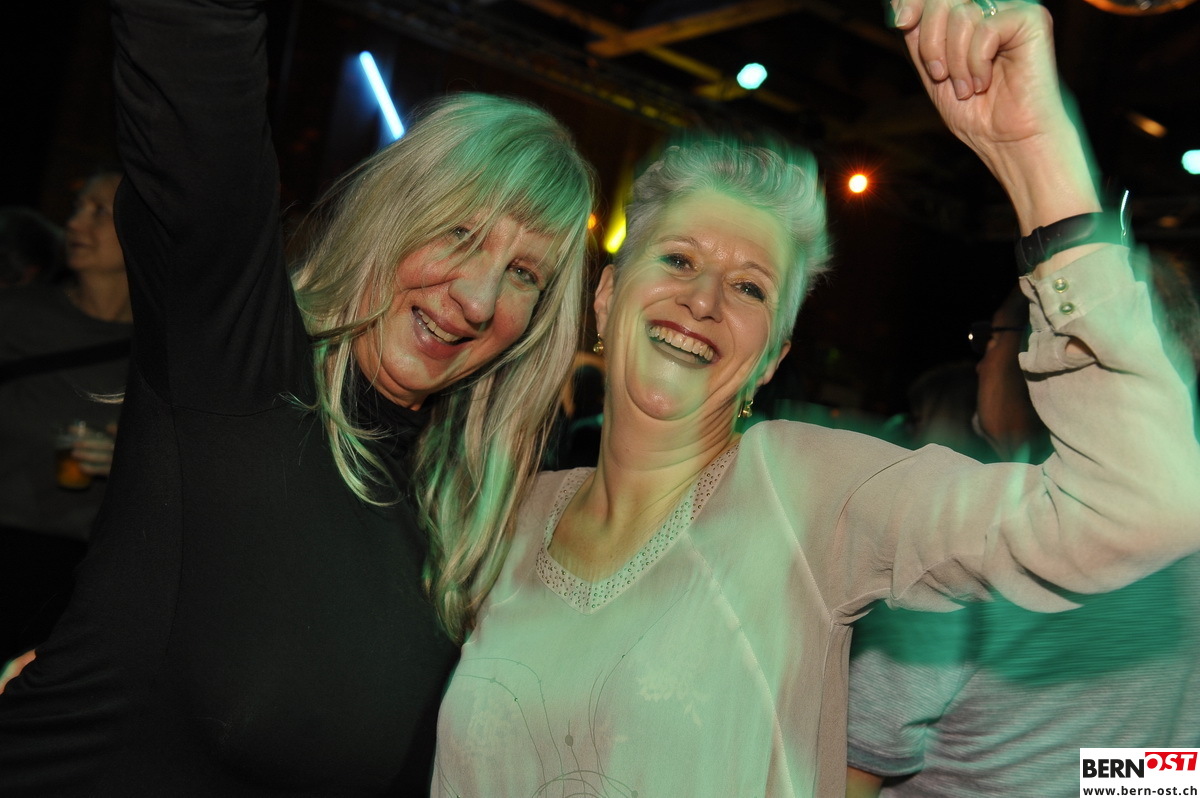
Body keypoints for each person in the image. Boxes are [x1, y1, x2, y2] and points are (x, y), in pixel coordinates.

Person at [430, 1, 1200, 796]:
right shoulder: (506, 519)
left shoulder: (813, 495)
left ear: (772, 358)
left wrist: (1036, 156)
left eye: (749, 288)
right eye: (679, 259)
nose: (703, 300)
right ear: (606, 295)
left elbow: (1146, 505)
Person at [0, 0, 593, 793]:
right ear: (394, 211)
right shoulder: (236, 366)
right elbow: (193, 57)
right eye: (460, 231)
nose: (479, 299)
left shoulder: (462, 530)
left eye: (524, 274)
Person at [843, 259, 1200, 798]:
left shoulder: (972, 534)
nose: (981, 365)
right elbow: (1175, 768)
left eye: (991, 339)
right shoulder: (1185, 542)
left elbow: (846, 772)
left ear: (1053, 352)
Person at [0, 171, 129, 664]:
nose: (74, 223)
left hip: (82, 576)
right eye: (77, 209)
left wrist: (134, 457)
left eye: (98, 212)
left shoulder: (170, 352)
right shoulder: (16, 315)